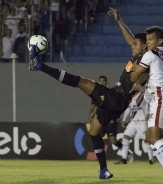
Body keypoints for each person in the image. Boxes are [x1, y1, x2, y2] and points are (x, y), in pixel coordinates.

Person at [28, 31, 148, 180]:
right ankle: (104, 170)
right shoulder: (140, 55)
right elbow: (130, 39)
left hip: (117, 98)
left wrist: (137, 85)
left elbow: (143, 76)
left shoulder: (147, 60)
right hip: (116, 100)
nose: (132, 45)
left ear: (145, 46)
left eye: (135, 44)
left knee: (80, 81)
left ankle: (40, 66)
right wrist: (118, 20)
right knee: (93, 131)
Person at [130, 26, 163, 182]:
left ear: (160, 40)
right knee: (152, 138)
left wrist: (134, 70)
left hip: (160, 98)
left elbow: (135, 77)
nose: (147, 43)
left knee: (154, 138)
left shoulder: (149, 55)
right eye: (146, 40)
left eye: (150, 39)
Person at [86, 75, 133, 161]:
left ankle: (127, 152)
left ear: (106, 82)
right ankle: (100, 157)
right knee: (97, 136)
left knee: (113, 141)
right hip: (100, 118)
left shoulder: (110, 92)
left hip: (110, 120)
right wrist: (90, 117)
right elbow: (93, 106)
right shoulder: (97, 93)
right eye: (100, 81)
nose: (102, 82)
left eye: (104, 81)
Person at [115, 91, 154, 165]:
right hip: (132, 122)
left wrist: (149, 114)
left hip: (142, 122)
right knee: (125, 137)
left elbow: (151, 104)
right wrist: (124, 120)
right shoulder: (133, 98)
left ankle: (151, 158)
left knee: (146, 140)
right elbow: (128, 109)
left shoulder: (144, 95)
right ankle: (124, 159)